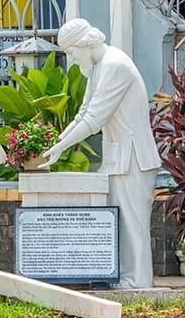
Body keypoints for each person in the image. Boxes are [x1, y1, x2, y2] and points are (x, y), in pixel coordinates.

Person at [39, 18, 160, 288]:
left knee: (133, 222)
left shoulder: (115, 65)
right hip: (119, 156)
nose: (71, 59)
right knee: (121, 219)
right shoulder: (99, 67)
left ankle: (138, 281)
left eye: (71, 52)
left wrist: (60, 147)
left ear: (85, 44)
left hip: (134, 157)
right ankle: (127, 277)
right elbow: (84, 112)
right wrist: (57, 142)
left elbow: (95, 118)